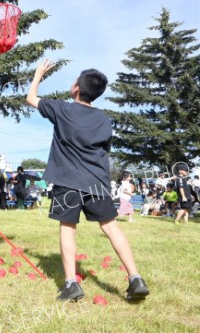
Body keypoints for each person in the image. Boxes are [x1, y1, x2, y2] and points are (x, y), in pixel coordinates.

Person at [27, 60, 149, 302]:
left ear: (75, 88)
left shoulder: (61, 109)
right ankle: (135, 278)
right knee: (111, 227)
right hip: (96, 182)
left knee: (68, 229)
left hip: (68, 182)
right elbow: (104, 149)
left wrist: (38, 74)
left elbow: (31, 98)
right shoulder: (103, 119)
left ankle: (72, 284)